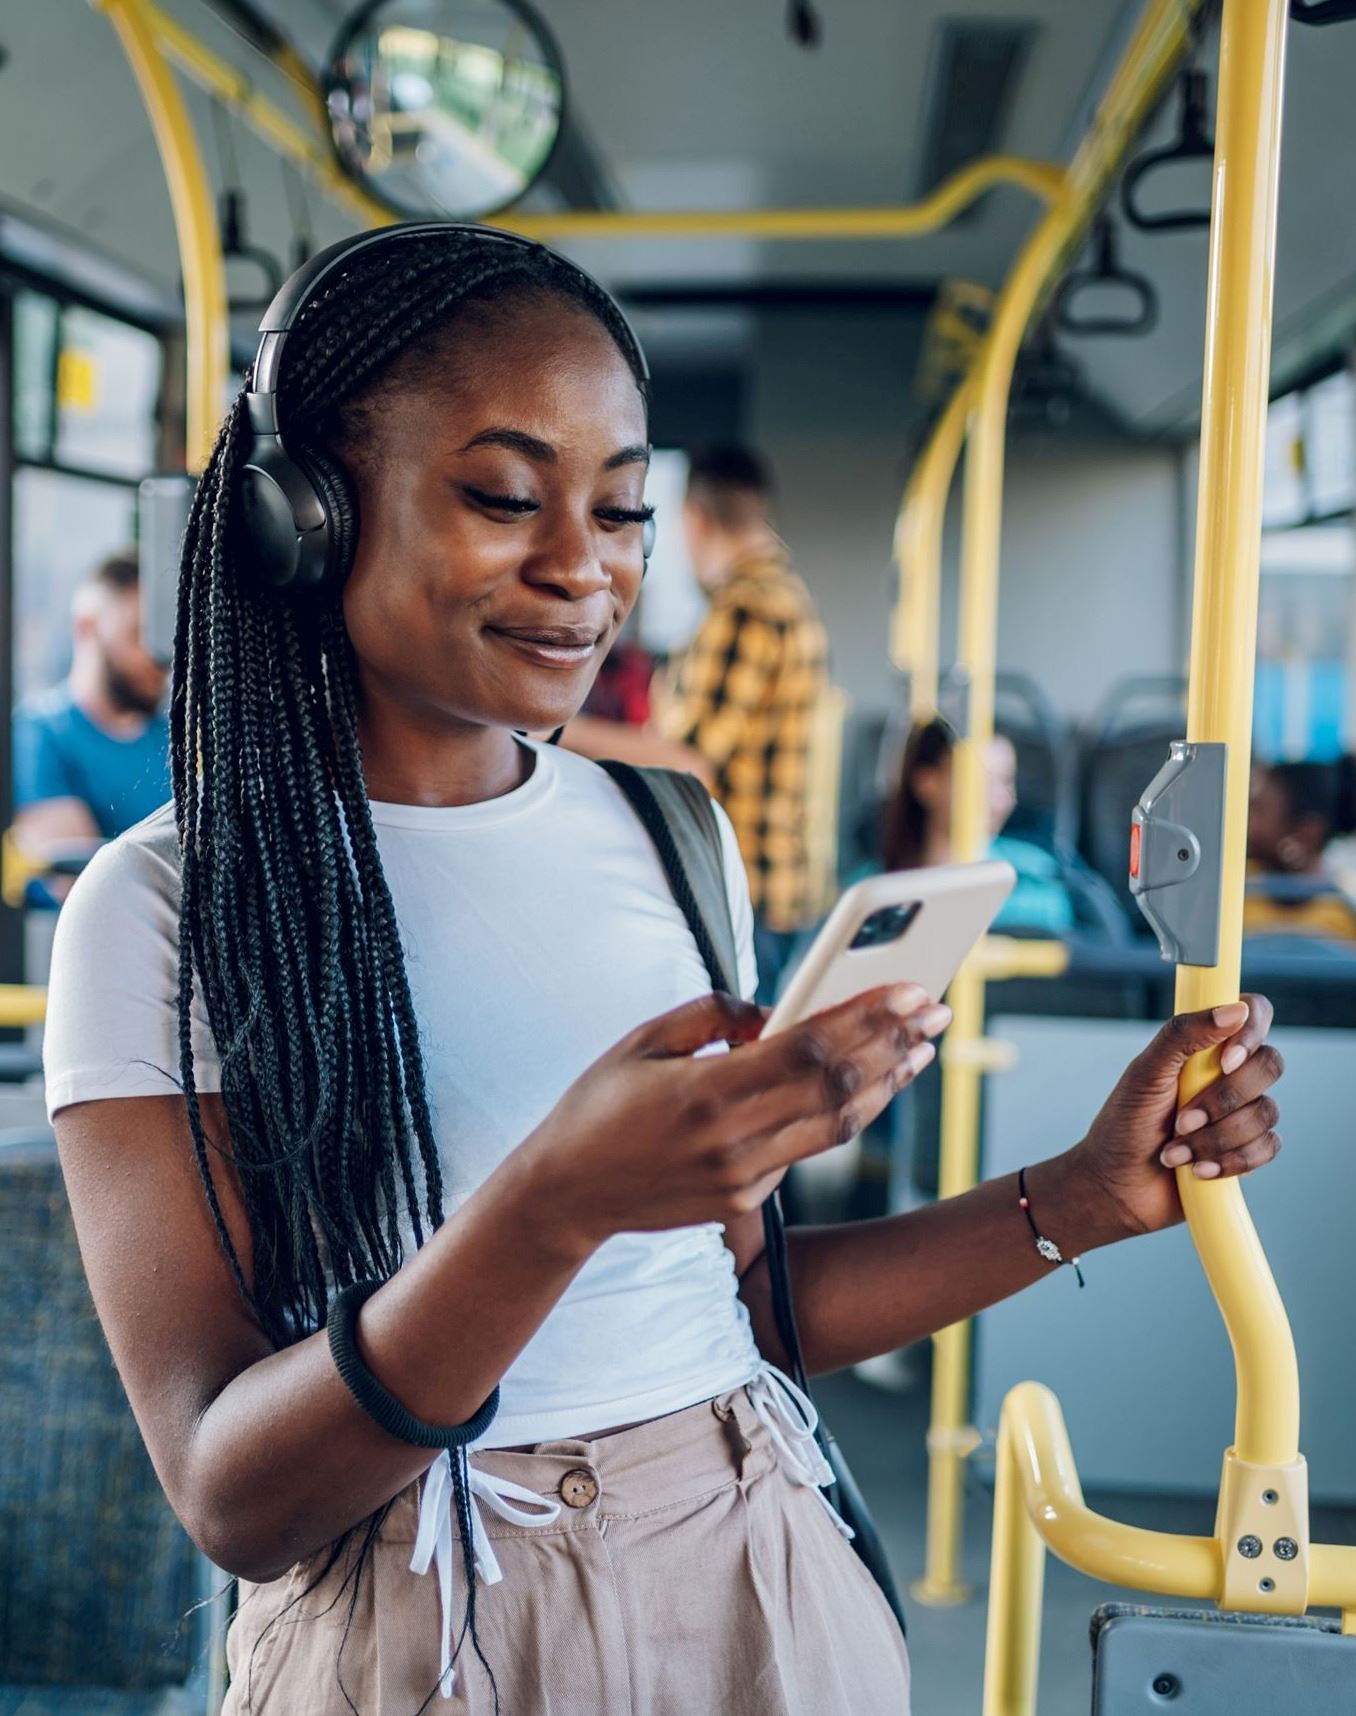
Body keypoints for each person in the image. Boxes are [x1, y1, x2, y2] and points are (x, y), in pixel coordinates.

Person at [46, 227, 1286, 1716]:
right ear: (303, 516)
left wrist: (1079, 1196)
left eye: (627, 510)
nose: (584, 568)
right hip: (424, 1611)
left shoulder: (668, 830)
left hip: (756, 1560)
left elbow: (744, 1316)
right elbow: (231, 1498)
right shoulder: (164, 907)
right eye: (504, 497)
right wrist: (550, 1208)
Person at [652, 446, 832, 1003]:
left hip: (746, 884)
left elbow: (687, 759)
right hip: (779, 883)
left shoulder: (746, 608)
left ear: (695, 520)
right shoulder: (788, 597)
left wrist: (560, 733)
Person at [12, 550, 169, 863]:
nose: (159, 658)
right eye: (138, 634)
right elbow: (74, 878)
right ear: (86, 627)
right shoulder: (38, 732)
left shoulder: (173, 738)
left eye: (163, 638)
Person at [882, 715, 1076, 936]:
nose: (1001, 799)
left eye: (1006, 781)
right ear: (927, 783)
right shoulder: (874, 892)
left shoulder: (1041, 877)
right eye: (983, 782)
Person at [1245, 757, 1356, 940]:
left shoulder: (1345, 912)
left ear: (1307, 832)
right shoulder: (1230, 890)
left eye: (1260, 810)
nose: (1247, 824)